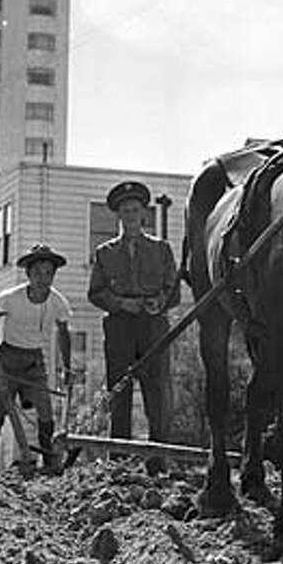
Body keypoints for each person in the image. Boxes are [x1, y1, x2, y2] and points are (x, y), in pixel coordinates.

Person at [88, 180, 179, 442]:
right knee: (119, 390)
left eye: (135, 210)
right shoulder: (105, 253)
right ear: (118, 215)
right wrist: (120, 303)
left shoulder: (161, 249)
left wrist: (159, 302)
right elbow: (95, 292)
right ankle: (119, 458)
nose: (130, 216)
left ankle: (158, 458)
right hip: (120, 327)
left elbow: (173, 290)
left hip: (152, 326)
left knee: (157, 390)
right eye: (125, 211)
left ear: (143, 214)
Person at [0, 243, 72, 473]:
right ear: (29, 275)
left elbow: (63, 332)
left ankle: (49, 463)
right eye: (37, 273)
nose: (43, 279)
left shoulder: (58, 303)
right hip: (7, 358)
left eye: (48, 274)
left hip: (34, 361)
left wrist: (67, 367)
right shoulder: (11, 298)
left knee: (45, 412)